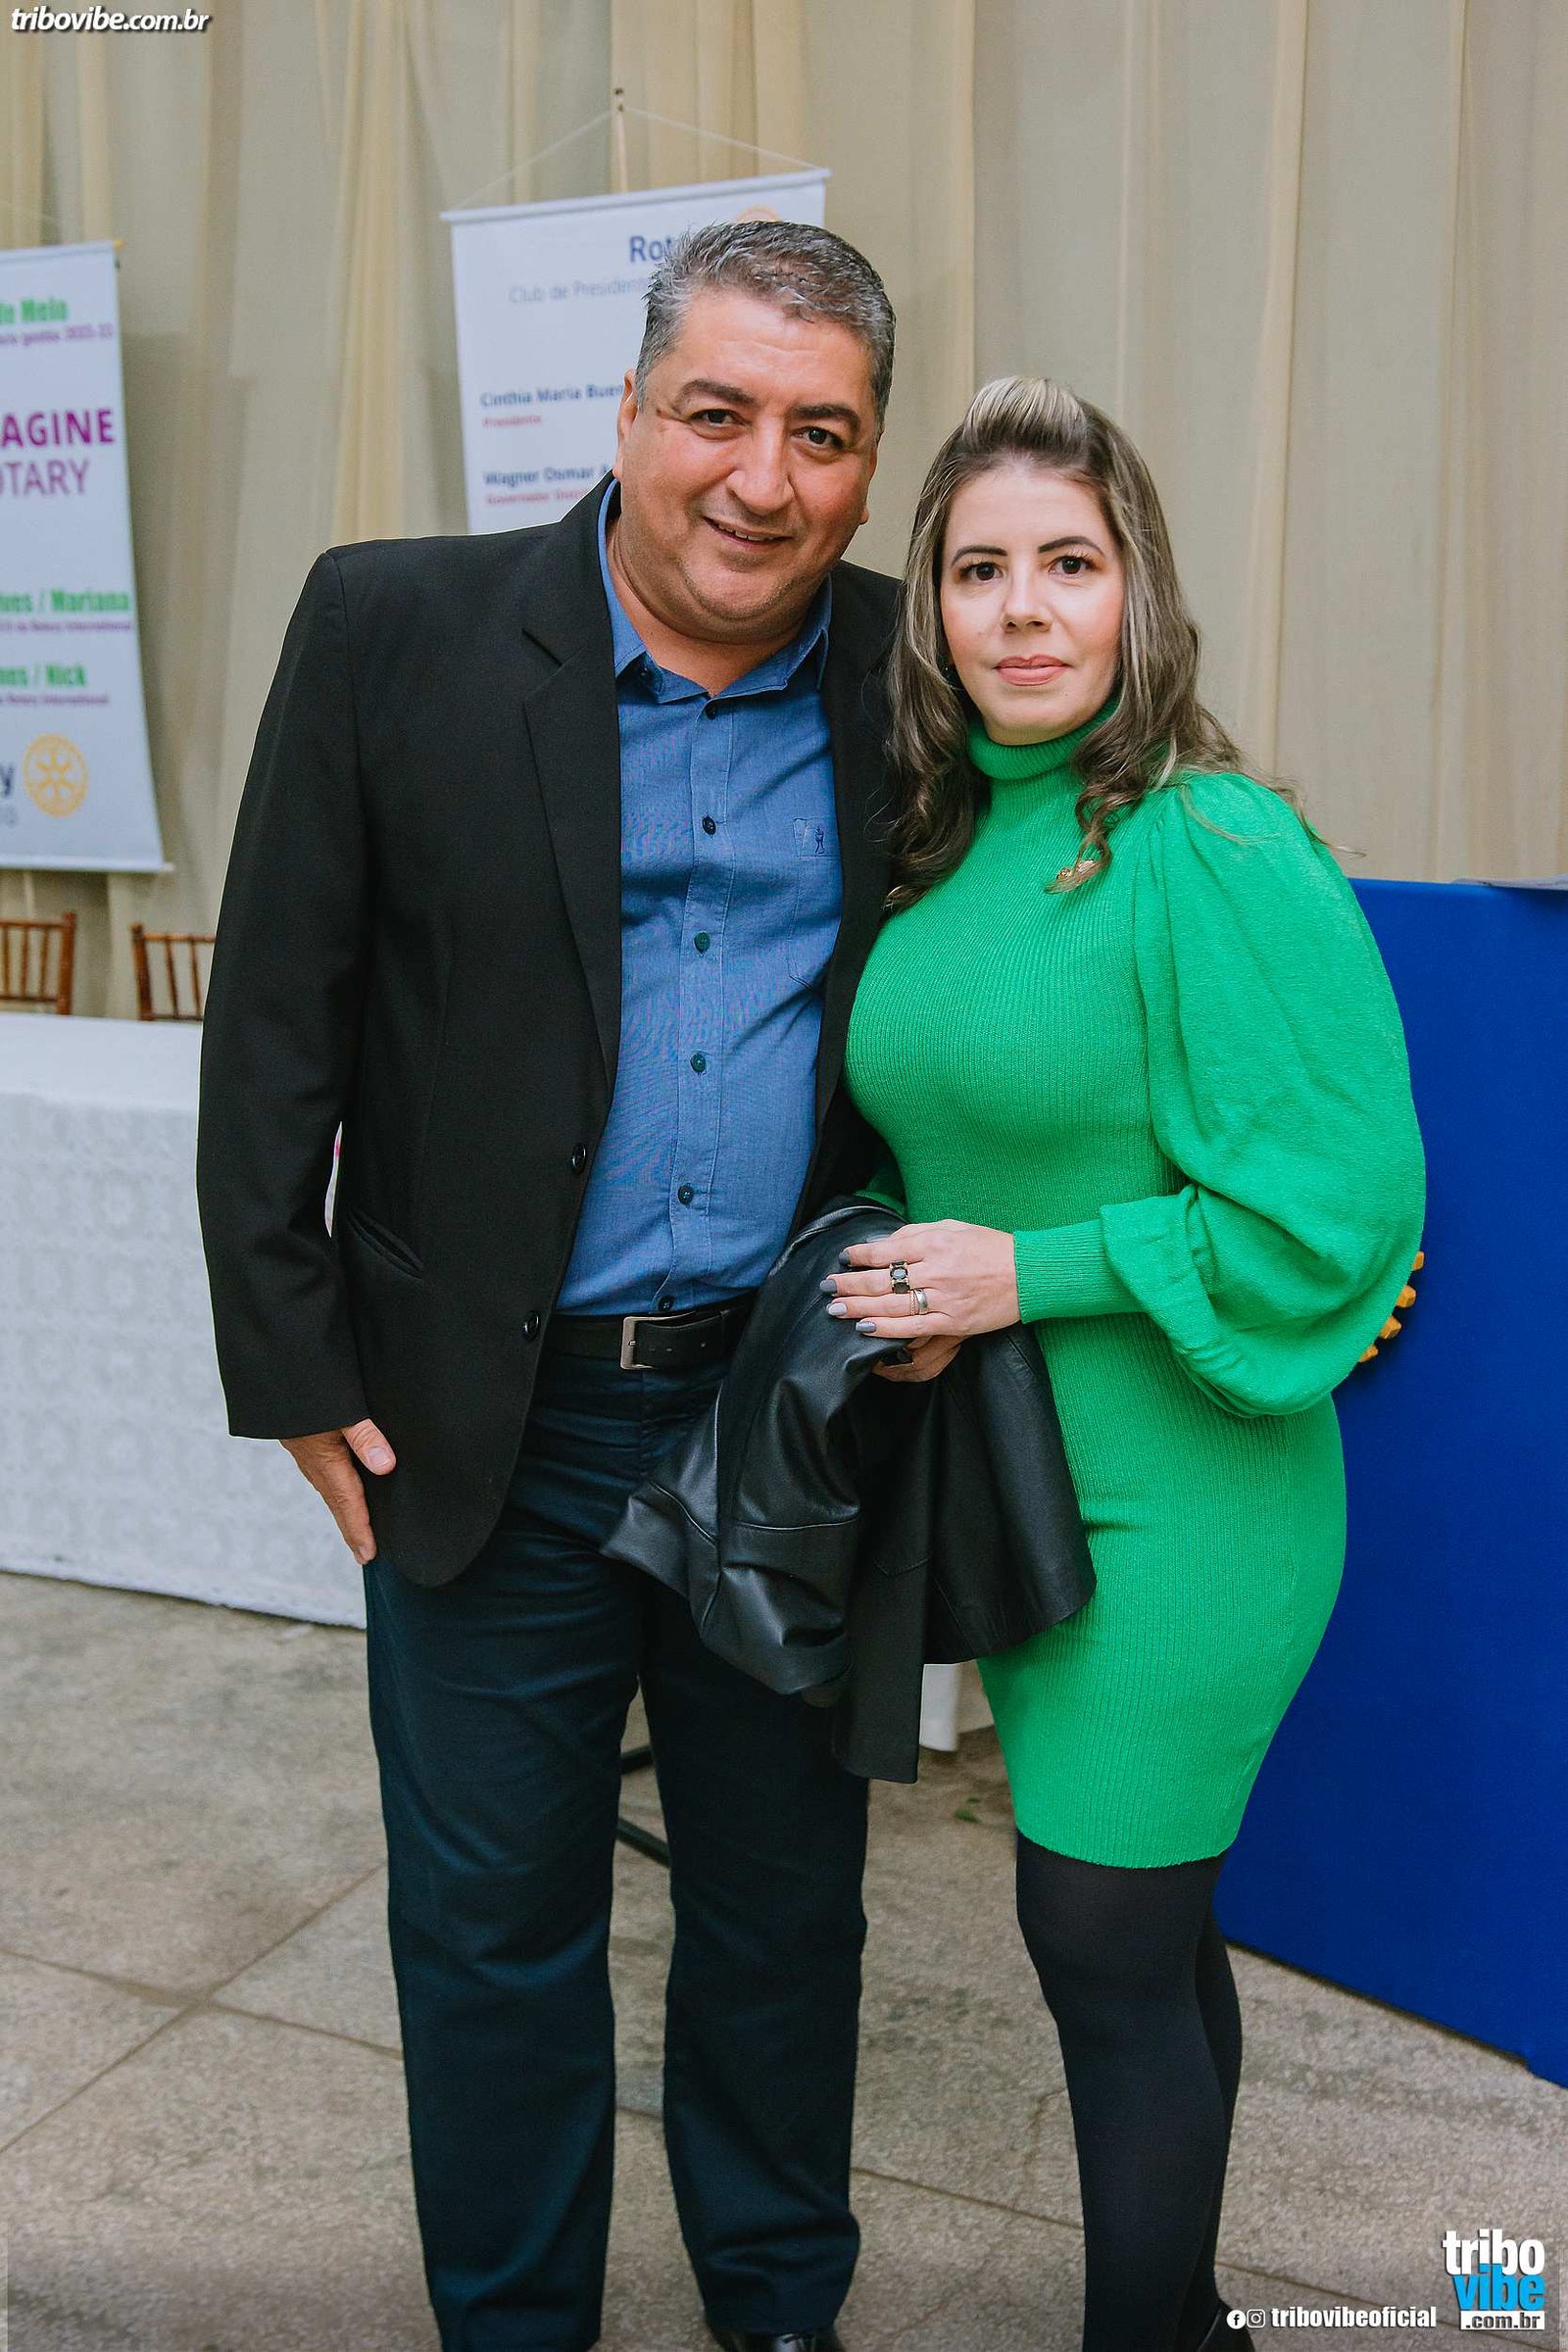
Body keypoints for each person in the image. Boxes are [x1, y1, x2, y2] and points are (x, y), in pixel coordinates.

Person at [196, 220, 936, 2352]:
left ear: (867, 464)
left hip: (784, 1415)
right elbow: (277, 1019)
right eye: (717, 413)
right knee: (493, 1928)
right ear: (624, 414)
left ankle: (777, 2302)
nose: (762, 479)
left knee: (784, 1916)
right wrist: (291, 1358)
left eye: (822, 434)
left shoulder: (913, 674)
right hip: (481, 1418)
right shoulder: (394, 627)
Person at [824, 375, 1426, 2352]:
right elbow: (945, 1147)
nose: (1021, 609)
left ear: (1135, 589)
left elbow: (1333, 1208)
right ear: (929, 606)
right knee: (1141, 1936)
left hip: (1191, 1494)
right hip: (1013, 1486)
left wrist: (1023, 1275)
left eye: (1066, 564)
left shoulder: (1207, 840)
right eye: (976, 568)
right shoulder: (944, 845)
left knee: (1092, 1930)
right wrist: (913, 1290)